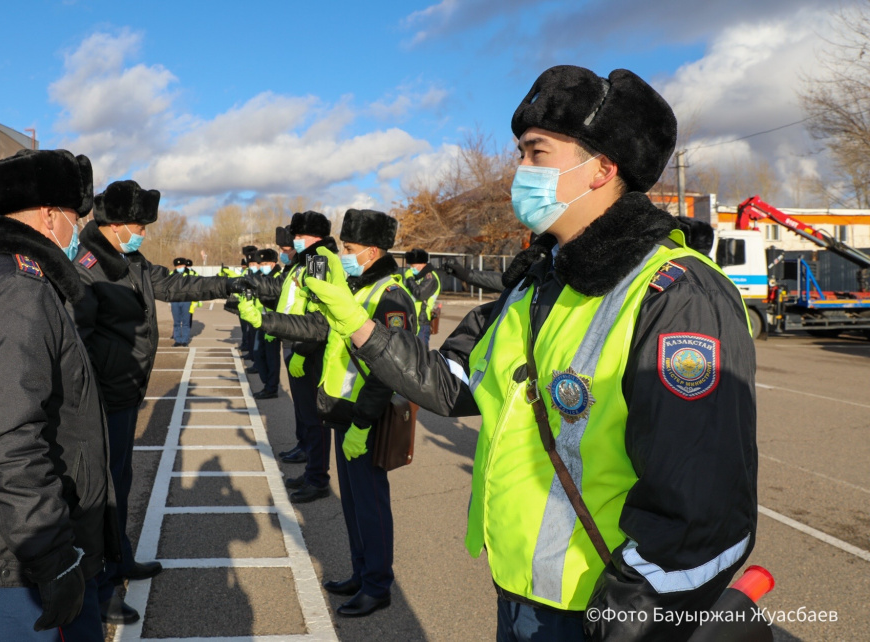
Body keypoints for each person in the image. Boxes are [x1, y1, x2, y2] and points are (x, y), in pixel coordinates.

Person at [305, 66, 757, 641]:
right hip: (521, 587)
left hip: (598, 606)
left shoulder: (677, 292)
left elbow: (703, 501)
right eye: (519, 152)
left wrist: (630, 612)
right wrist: (358, 325)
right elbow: (452, 382)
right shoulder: (535, 284)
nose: (519, 171)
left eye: (536, 153)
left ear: (602, 168)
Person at [0, 149, 118, 641]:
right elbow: (3, 435)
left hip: (4, 543)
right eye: (76, 217)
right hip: (18, 556)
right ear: (51, 214)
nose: (79, 231)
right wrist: (53, 555)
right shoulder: (16, 287)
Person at [71, 180, 232, 624]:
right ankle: (102, 589)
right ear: (114, 224)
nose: (142, 232)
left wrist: (230, 284)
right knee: (103, 495)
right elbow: (77, 342)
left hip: (126, 391)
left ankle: (120, 561)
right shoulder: (88, 267)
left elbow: (173, 285)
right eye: (138, 225)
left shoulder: (130, 258)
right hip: (103, 397)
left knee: (121, 484)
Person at [243, 209, 417, 617]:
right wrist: (264, 319)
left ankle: (377, 584)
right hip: (346, 413)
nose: (346, 255)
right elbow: (321, 329)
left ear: (373, 251)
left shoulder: (390, 296)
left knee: (371, 505)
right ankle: (362, 573)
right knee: (355, 505)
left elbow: (389, 370)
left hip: (367, 420)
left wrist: (361, 422)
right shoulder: (356, 289)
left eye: (352, 249)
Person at [239, 212, 336, 500]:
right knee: (307, 415)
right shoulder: (305, 261)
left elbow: (318, 315)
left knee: (316, 419)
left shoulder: (318, 261)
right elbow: (287, 295)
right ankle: (311, 472)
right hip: (297, 343)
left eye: (297, 236)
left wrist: (302, 352)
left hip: (309, 348)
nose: (293, 242)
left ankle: (318, 478)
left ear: (313, 236)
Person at [249, 248, 284, 399]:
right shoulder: (264, 276)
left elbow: (278, 300)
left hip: (273, 322)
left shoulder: (279, 277)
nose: (261, 266)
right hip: (262, 320)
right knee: (258, 353)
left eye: (264, 263)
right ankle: (267, 383)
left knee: (271, 357)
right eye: (260, 263)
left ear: (272, 263)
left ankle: (271, 388)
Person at [403, 248, 441, 344]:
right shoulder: (419, 277)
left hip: (422, 321)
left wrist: (409, 278)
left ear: (422, 263)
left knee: (421, 353)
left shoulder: (430, 277)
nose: (411, 268)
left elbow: (419, 294)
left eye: (413, 265)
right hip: (412, 319)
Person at [170, 257, 198, 347]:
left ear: (185, 265)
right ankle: (177, 339)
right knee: (176, 322)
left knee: (186, 322)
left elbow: (195, 288)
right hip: (175, 301)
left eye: (181, 265)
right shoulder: (171, 274)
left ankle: (185, 340)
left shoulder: (191, 274)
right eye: (177, 266)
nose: (179, 267)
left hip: (186, 300)